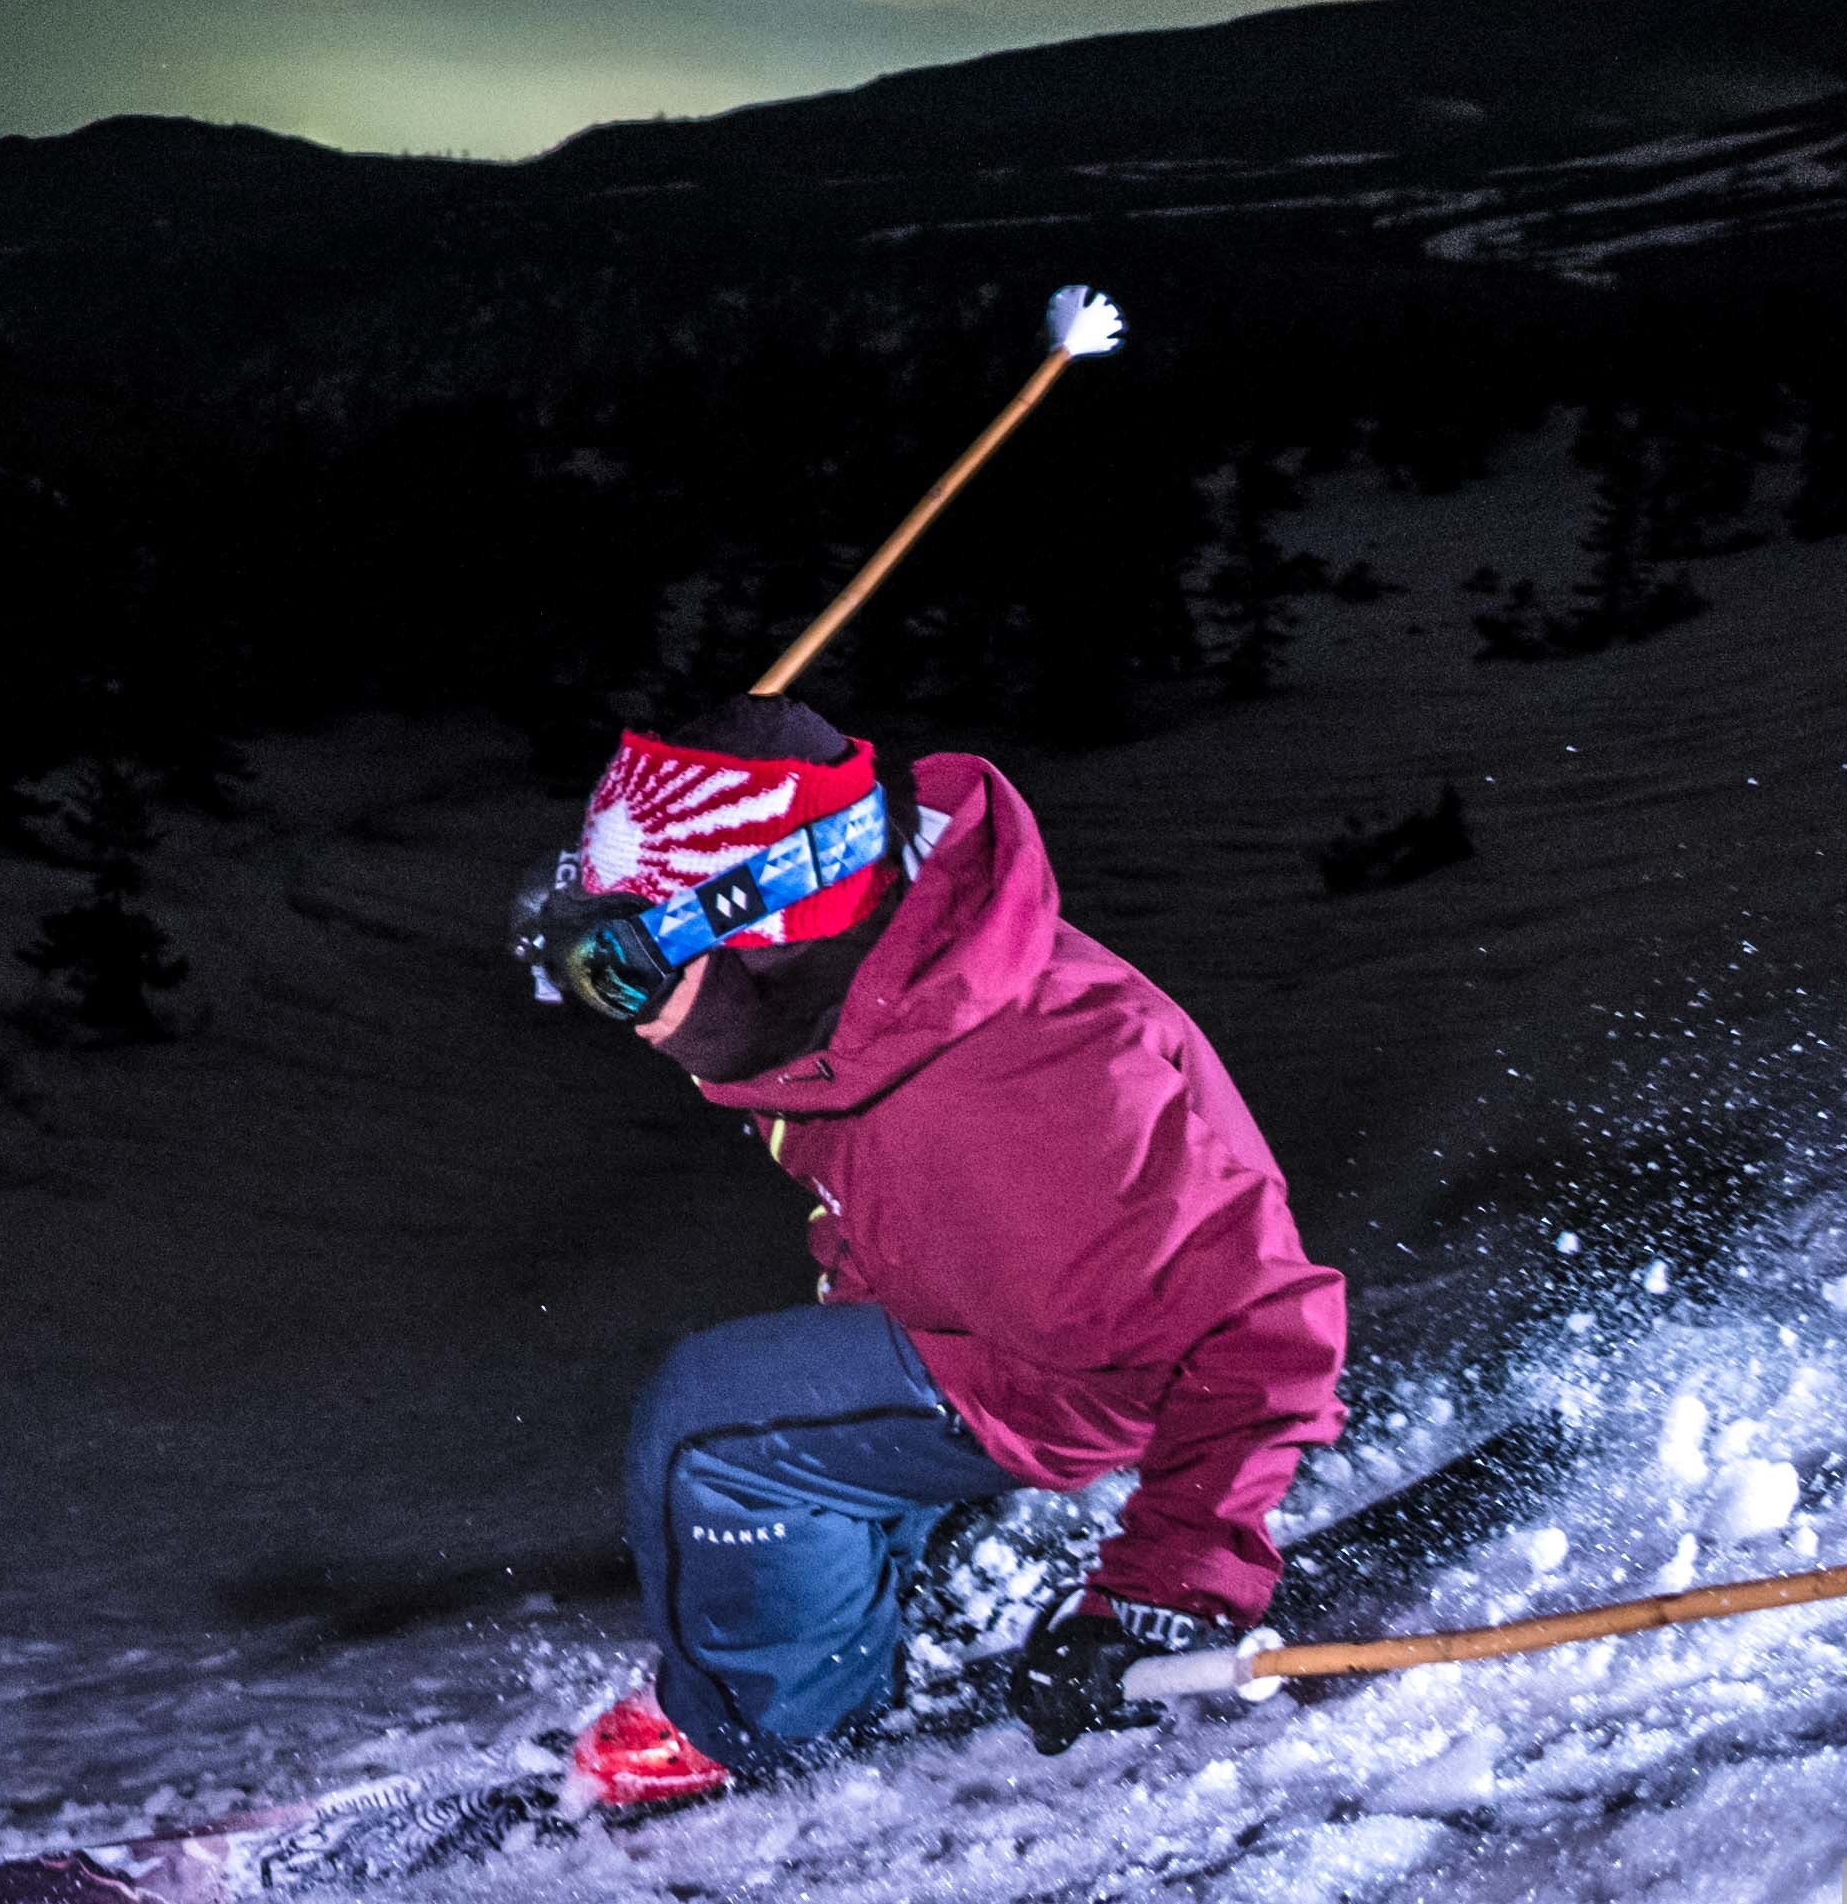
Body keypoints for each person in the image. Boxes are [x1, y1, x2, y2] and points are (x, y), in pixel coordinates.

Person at [518, 688, 1345, 1806]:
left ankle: (758, 1726)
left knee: (708, 1426)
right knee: (800, 1388)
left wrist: (1174, 1578)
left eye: (619, 969)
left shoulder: (1040, 1079)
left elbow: (1260, 1328)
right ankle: (845, 1599)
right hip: (983, 1317)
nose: (623, 1014)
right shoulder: (874, 986)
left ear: (760, 936)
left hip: (1085, 1375)